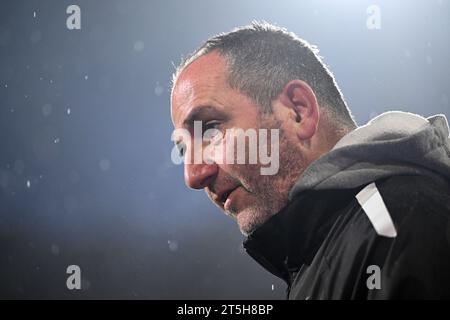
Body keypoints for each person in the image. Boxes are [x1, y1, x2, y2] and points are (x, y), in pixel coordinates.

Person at [170, 22, 450, 299]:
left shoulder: (399, 224)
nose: (193, 175)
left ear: (298, 111)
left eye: (209, 128)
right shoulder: (327, 249)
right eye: (183, 150)